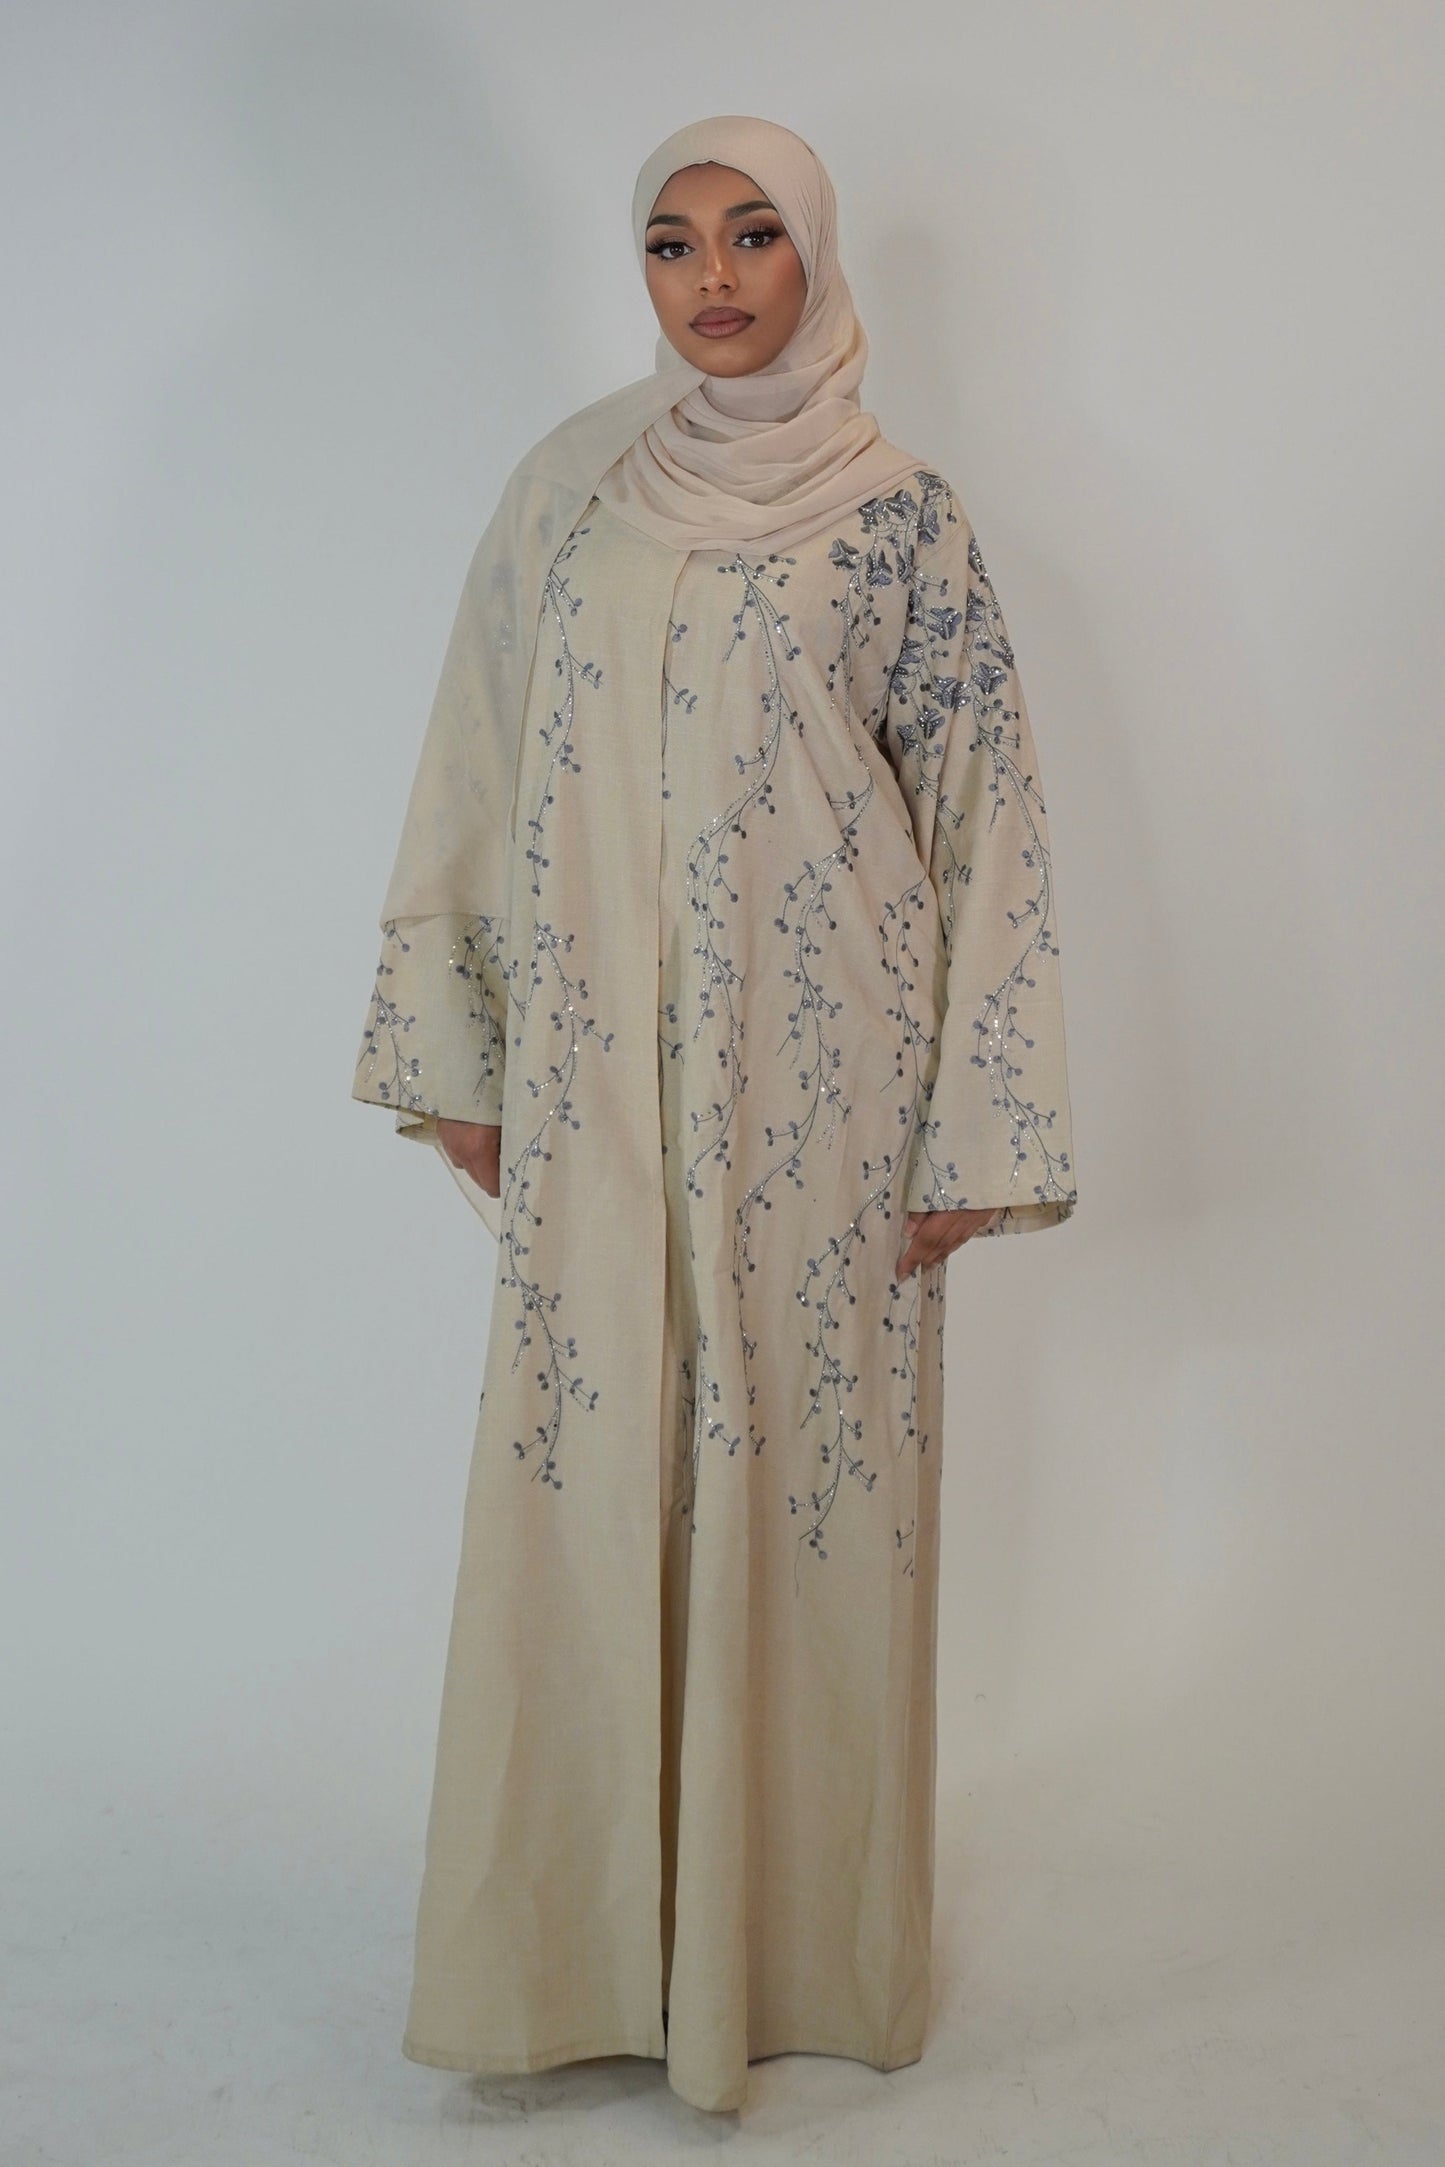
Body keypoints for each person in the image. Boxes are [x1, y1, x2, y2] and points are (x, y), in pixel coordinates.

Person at [350, 112, 1077, 2117]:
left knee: (806, 1521)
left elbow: (989, 823)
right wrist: (461, 1049)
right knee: (587, 1500)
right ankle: (577, 1960)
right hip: (598, 1087)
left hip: (830, 1105)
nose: (715, 278)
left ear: (816, 259)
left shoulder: (903, 519)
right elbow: (475, 753)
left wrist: (974, 1129)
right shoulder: (571, 493)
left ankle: (790, 1966)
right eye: (673, 243)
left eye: (755, 235)